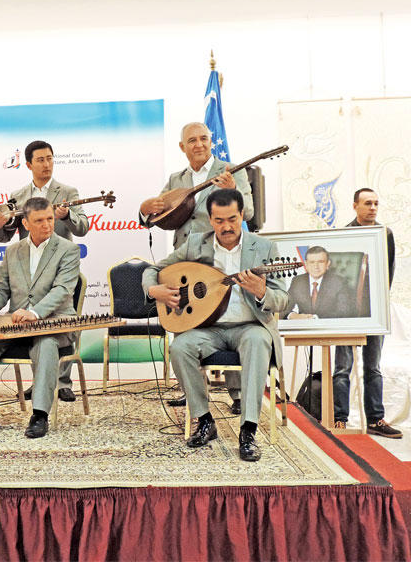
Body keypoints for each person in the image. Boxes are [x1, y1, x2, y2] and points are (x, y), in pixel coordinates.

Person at [142, 189, 288, 461]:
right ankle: (205, 420)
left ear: (242, 215)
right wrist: (154, 290)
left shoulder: (265, 248)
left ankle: (248, 430)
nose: (226, 226)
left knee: (258, 341)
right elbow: (153, 269)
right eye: (219, 220)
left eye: (232, 219)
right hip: (208, 328)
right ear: (210, 219)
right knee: (180, 347)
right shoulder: (195, 244)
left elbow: (282, 299)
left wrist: (262, 292)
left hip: (250, 326)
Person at [139, 122, 254, 414]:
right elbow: (158, 215)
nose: (199, 144)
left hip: (220, 255)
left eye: (204, 138)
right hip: (184, 257)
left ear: (211, 142)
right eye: (192, 140)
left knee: (227, 316)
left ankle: (238, 394)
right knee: (183, 316)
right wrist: (145, 210)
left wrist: (233, 190)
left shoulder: (231, 171)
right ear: (183, 147)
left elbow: (249, 212)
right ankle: (191, 389)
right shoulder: (176, 179)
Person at [0, 197, 81, 439]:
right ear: (25, 223)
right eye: (39, 220)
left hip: (54, 326)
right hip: (17, 328)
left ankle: (40, 415)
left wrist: (34, 313)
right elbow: (0, 288)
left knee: (45, 344)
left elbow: (62, 290)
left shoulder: (69, 250)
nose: (47, 225)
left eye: (50, 218)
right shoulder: (12, 251)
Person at [0, 140, 88, 403]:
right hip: (29, 269)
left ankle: (63, 382)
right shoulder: (18, 196)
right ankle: (41, 382)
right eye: (41, 160)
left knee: (59, 319)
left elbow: (82, 227)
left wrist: (66, 216)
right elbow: (5, 235)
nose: (47, 164)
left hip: (60, 264)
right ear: (28, 164)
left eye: (50, 158)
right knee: (32, 324)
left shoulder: (68, 191)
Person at [333, 188, 402, 438]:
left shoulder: (385, 234)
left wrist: (379, 303)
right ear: (355, 206)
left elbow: (388, 271)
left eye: (375, 203)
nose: (372, 208)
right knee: (343, 367)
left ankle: (375, 419)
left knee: (373, 366)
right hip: (347, 311)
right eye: (367, 203)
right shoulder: (344, 234)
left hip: (375, 310)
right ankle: (339, 420)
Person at [282, 246, 354, 319]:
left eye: (320, 262)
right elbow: (283, 307)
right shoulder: (298, 281)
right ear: (306, 264)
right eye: (312, 262)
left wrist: (314, 318)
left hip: (328, 325)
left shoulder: (339, 282)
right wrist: (292, 315)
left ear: (328, 264)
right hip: (303, 325)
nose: (316, 266)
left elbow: (344, 312)